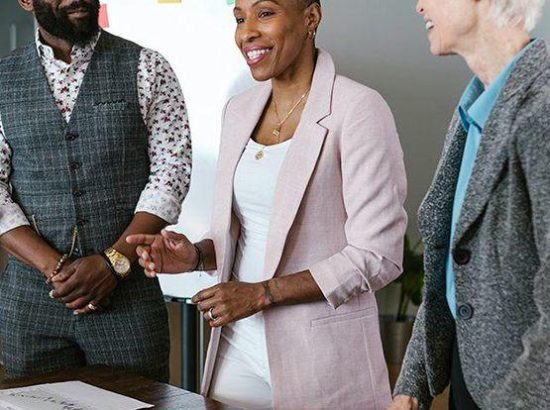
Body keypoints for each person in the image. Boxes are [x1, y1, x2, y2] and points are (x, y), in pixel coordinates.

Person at [128, 0, 407, 408]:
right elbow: (249, 233)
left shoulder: (359, 109)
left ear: (310, 18)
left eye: (265, 13)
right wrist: (196, 255)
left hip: (320, 357)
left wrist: (262, 294)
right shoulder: (239, 109)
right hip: (237, 348)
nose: (247, 32)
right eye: (240, 18)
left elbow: (377, 255)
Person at [0, 0, 191, 381]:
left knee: (138, 403)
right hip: (30, 309)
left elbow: (171, 173)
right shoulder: (2, 79)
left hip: (129, 304)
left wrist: (113, 263)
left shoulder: (148, 67)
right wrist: (55, 270)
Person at [389, 0, 549, 409]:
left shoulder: (543, 108)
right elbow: (459, 266)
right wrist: (412, 382)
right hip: (472, 379)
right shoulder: (475, 106)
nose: (419, 6)